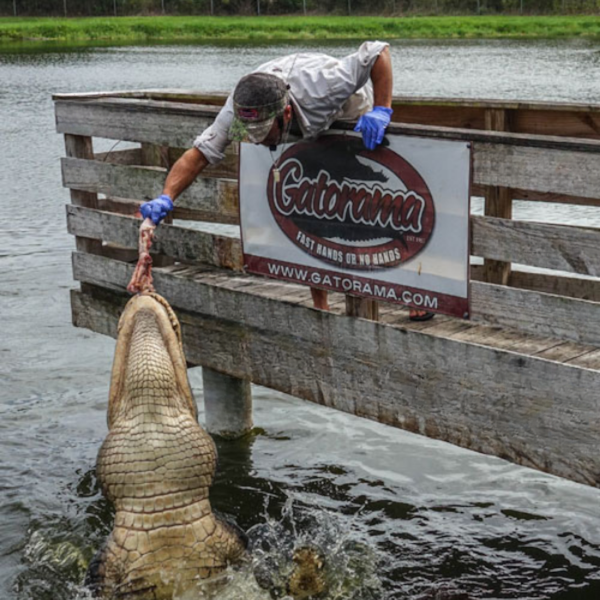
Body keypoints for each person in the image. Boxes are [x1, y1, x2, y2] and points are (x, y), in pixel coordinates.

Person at [140, 41, 432, 321]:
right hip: (304, 129)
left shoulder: (325, 86)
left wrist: (382, 109)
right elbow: (199, 154)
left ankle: (410, 294)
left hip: (351, 112)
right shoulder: (238, 110)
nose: (261, 141)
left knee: (377, 208)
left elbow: (377, 51)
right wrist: (166, 197)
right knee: (308, 213)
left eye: (265, 133)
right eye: (252, 134)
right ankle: (321, 304)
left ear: (286, 113)